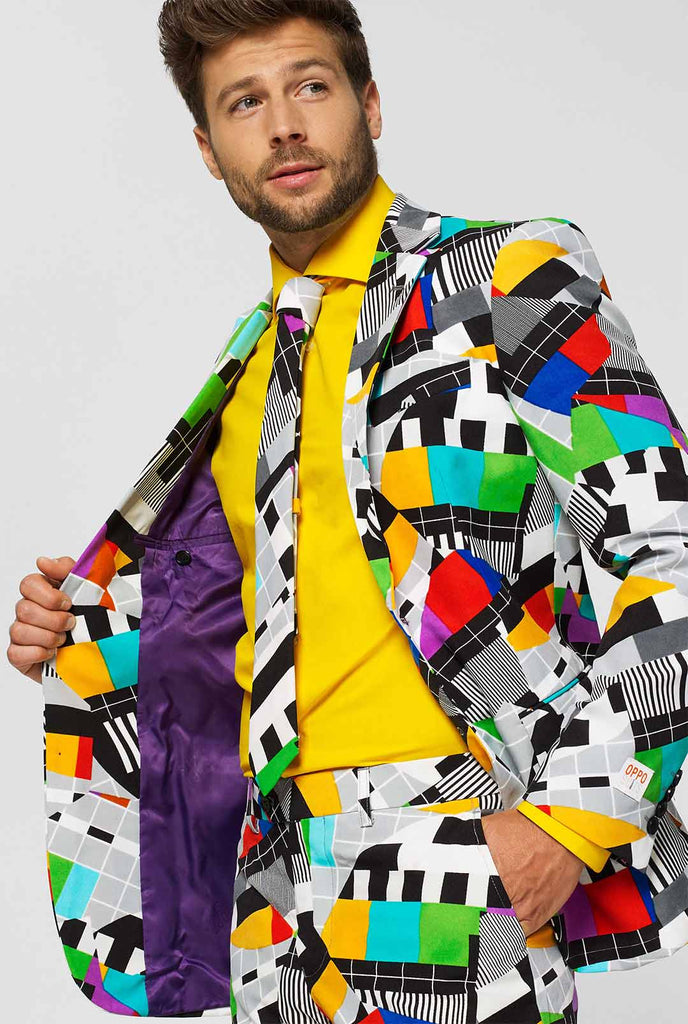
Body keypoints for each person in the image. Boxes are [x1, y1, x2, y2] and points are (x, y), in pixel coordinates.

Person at [7, 2, 688, 1022]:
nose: (284, 125)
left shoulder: (502, 278)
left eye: (310, 87)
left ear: (369, 105)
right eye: (245, 103)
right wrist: (85, 631)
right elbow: (259, 619)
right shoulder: (248, 370)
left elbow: (663, 543)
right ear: (208, 149)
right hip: (276, 866)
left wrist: (574, 824)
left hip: (455, 823)